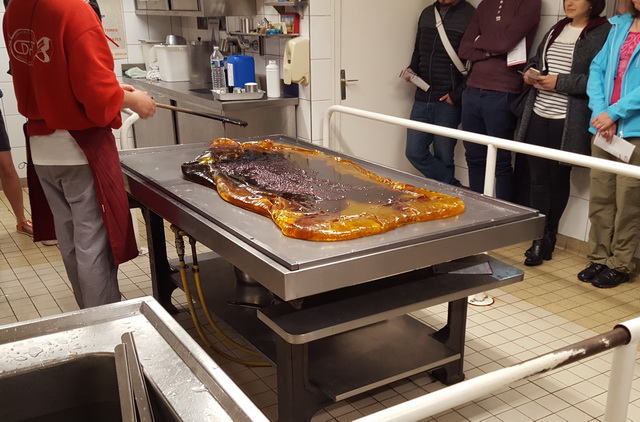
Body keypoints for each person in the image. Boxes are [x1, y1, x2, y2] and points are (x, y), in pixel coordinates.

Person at [3, 0, 156, 308]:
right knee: (93, 245)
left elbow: (54, 76)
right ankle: (105, 325)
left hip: (42, 148)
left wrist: (117, 91)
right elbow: (95, 96)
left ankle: (87, 316)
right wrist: (134, 101)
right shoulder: (73, 9)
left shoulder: (15, 9)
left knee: (71, 241)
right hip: (77, 147)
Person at [514, 0, 609, 266]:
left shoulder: (602, 32)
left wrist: (560, 82)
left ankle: (547, 237)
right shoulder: (558, 28)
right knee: (537, 178)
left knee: (557, 177)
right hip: (538, 113)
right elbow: (536, 60)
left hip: (568, 119)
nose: (569, 2)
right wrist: (529, 73)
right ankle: (538, 237)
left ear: (593, 4)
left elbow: (599, 79)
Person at [578, 0, 640, 288]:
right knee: (601, 195)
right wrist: (602, 112)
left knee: (629, 201)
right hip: (604, 128)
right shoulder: (619, 25)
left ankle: (621, 263)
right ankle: (599, 257)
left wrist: (615, 112)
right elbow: (597, 70)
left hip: (634, 131)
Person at [458, 0, 541, 201]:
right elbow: (464, 48)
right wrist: (491, 49)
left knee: (501, 161)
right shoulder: (486, 4)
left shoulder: (529, 3)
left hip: (503, 92)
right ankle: (477, 210)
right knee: (474, 156)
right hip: (472, 90)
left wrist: (481, 41)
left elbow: (505, 42)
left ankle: (505, 217)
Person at [403, 0, 475, 186]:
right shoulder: (427, 13)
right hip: (422, 94)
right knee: (414, 152)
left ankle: (447, 200)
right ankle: (456, 189)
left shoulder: (471, 15)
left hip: (448, 100)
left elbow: (475, 62)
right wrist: (412, 69)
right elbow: (418, 49)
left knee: (444, 156)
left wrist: (457, 94)